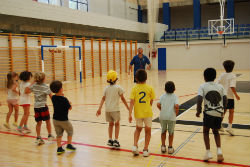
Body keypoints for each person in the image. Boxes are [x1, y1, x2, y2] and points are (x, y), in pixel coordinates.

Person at [196, 68, 227, 162]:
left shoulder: (202, 86)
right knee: (216, 132)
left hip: (208, 113)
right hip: (219, 113)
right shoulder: (220, 86)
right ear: (215, 77)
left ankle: (208, 152)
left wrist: (198, 110)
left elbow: (199, 99)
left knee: (206, 132)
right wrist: (223, 112)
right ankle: (219, 152)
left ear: (204, 77)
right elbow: (225, 100)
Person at [96, 70, 129, 149]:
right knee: (117, 124)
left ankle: (110, 139)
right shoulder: (118, 88)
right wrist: (128, 107)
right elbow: (123, 99)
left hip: (108, 110)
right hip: (115, 110)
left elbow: (103, 99)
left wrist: (99, 108)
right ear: (116, 79)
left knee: (110, 124)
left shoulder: (106, 88)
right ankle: (116, 140)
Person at [129, 69, 155, 157]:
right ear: (146, 78)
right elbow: (151, 101)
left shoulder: (134, 88)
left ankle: (135, 146)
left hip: (138, 113)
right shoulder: (150, 88)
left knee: (138, 129)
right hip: (147, 112)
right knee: (148, 131)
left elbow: (132, 102)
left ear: (136, 78)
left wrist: (129, 114)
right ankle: (145, 149)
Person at [26, 72, 54, 145]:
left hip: (36, 107)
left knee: (38, 123)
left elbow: (26, 91)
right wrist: (55, 105)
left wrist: (32, 83)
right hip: (43, 107)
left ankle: (38, 137)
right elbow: (51, 96)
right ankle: (50, 135)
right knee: (48, 121)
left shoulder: (34, 85)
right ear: (43, 79)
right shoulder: (45, 86)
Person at [50, 80, 76, 155]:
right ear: (61, 89)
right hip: (64, 120)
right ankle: (69, 145)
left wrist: (62, 97)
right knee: (70, 130)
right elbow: (70, 108)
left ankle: (59, 148)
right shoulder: (65, 99)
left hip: (55, 120)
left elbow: (58, 101)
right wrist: (69, 103)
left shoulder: (53, 98)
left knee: (59, 134)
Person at [217, 60, 240, 135]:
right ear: (232, 67)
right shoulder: (233, 76)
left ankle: (219, 125)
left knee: (223, 111)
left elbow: (217, 84)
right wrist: (236, 95)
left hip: (222, 96)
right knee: (231, 111)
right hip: (229, 97)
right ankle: (229, 127)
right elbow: (232, 86)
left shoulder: (222, 75)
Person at [157, 81, 179, 154]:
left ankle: (163, 147)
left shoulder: (162, 96)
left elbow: (158, 104)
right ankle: (170, 147)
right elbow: (176, 106)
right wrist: (176, 112)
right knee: (171, 132)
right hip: (171, 117)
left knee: (163, 131)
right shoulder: (175, 96)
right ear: (174, 89)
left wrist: (161, 109)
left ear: (164, 89)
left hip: (162, 116)